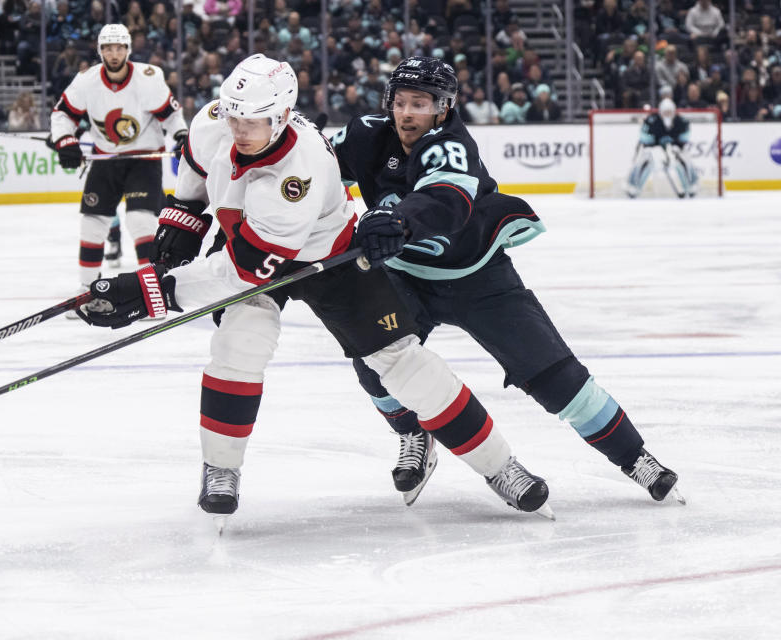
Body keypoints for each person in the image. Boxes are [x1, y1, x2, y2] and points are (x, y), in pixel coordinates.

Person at [76, 54, 553, 524]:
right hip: (248, 241)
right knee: (240, 345)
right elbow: (199, 167)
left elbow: (245, 272)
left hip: (326, 255)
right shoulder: (215, 122)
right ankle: (221, 468)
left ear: (283, 117)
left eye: (253, 121)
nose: (238, 129)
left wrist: (149, 291)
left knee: (402, 362)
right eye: (233, 115)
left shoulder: (295, 175)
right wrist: (184, 216)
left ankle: (500, 466)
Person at [329, 56, 682, 506]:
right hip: (404, 276)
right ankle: (414, 433)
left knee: (553, 373)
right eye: (400, 102)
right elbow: (314, 170)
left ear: (443, 107)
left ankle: (635, 457)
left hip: (476, 274)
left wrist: (394, 220)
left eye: (420, 103)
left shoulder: (450, 144)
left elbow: (444, 199)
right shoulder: (366, 134)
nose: (407, 112)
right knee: (372, 356)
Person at [50, 23, 188, 314]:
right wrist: (65, 141)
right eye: (108, 48)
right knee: (92, 224)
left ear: (128, 49)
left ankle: (150, 292)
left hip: (143, 160)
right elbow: (63, 113)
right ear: (100, 51)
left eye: (119, 47)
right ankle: (88, 292)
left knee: (141, 222)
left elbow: (171, 115)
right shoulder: (86, 81)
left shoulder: (148, 78)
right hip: (106, 161)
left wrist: (181, 136)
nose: (114, 53)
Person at [626, 98, 699, 198]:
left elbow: (685, 138)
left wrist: (674, 145)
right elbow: (643, 137)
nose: (667, 114)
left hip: (674, 149)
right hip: (654, 149)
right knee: (645, 158)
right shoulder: (652, 120)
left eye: (669, 112)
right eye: (665, 112)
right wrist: (655, 143)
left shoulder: (681, 121)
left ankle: (691, 185)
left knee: (684, 158)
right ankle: (633, 186)